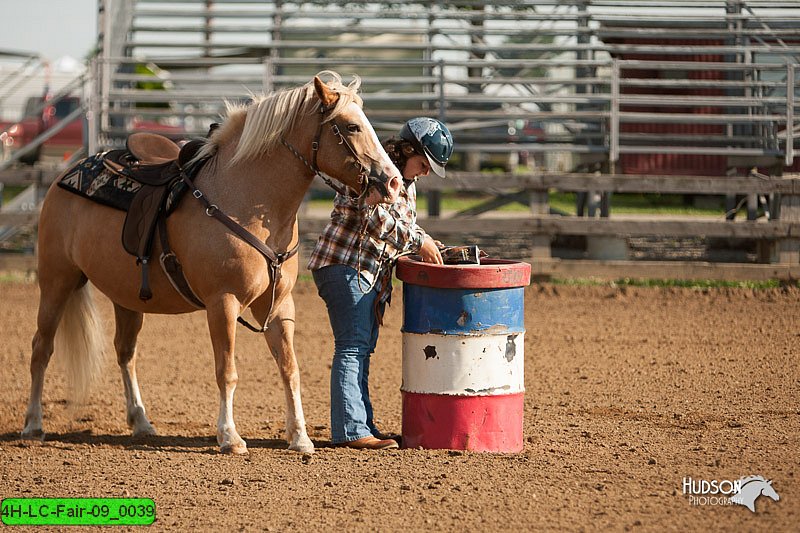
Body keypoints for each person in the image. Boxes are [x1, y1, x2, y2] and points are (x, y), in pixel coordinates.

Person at [308, 117, 454, 450]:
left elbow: (402, 226)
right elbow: (376, 220)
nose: (426, 172)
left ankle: (360, 424)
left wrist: (432, 246)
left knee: (360, 347)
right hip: (346, 265)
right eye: (424, 163)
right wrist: (420, 243)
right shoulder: (372, 172)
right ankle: (351, 431)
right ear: (407, 150)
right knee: (353, 346)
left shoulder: (402, 178)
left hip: (360, 268)